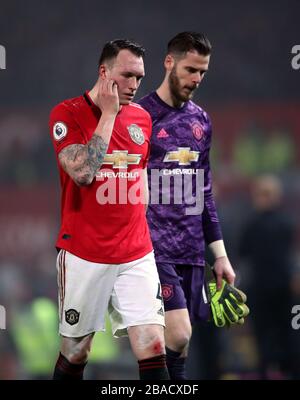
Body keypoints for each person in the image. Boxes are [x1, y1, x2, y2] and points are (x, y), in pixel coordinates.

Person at [49, 39, 169, 380]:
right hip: (86, 252)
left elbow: (140, 175)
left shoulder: (143, 119)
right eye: (127, 75)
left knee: (153, 343)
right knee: (77, 350)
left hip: (135, 252)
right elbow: (84, 173)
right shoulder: (67, 113)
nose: (134, 85)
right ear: (104, 73)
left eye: (140, 78)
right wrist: (109, 114)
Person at [138, 32, 236, 380]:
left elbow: (204, 191)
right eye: (191, 69)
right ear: (169, 63)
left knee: (177, 343)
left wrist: (219, 255)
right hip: (153, 248)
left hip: (192, 251)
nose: (197, 79)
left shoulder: (201, 121)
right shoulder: (140, 116)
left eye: (203, 72)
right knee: (178, 333)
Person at [239, 175, 296, 379]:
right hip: (269, 287)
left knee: (275, 333)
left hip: (273, 287)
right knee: (273, 333)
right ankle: (279, 370)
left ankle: (278, 369)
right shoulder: (282, 223)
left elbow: (243, 251)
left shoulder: (255, 224)